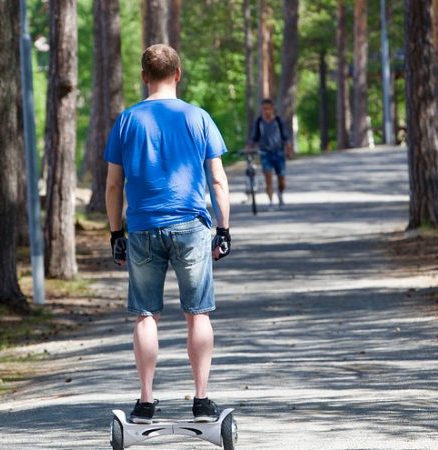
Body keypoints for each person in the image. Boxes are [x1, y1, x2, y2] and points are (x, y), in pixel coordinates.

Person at [104, 44, 232, 425]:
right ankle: (202, 399)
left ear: (144, 76)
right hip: (191, 226)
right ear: (178, 74)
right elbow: (219, 180)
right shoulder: (199, 118)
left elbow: (113, 186)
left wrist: (116, 233)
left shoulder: (126, 121)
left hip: (142, 227)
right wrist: (223, 228)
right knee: (198, 314)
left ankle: (145, 402)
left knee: (145, 316)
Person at [246, 99, 294, 209]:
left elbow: (286, 136)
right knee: (268, 177)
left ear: (272, 109)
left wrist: (288, 148)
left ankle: (280, 194)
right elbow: (253, 138)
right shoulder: (259, 122)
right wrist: (249, 147)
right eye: (264, 109)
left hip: (278, 153)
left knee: (281, 178)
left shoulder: (278, 121)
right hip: (265, 154)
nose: (266, 111)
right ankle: (271, 201)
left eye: (268, 108)